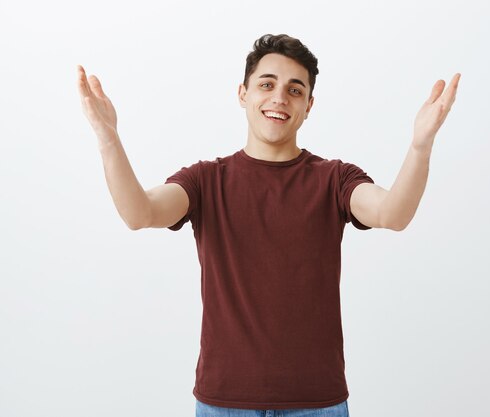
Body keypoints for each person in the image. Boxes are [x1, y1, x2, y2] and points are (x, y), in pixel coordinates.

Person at [77, 33, 461, 417]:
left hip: (318, 403)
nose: (279, 98)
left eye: (295, 90)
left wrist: (420, 146)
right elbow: (139, 213)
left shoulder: (334, 179)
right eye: (267, 84)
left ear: (309, 106)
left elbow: (392, 214)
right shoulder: (206, 180)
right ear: (243, 93)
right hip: (224, 401)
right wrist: (108, 139)